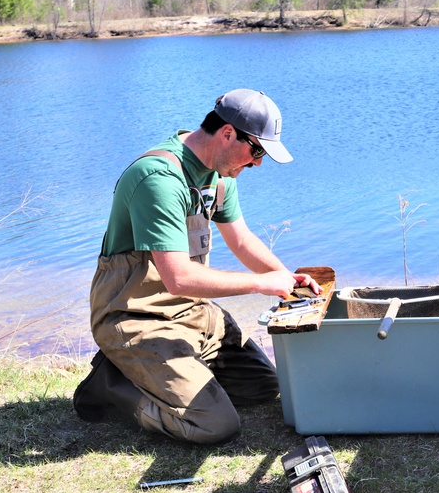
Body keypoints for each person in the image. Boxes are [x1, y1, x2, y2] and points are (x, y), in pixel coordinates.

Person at [73, 89, 321, 445]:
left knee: (264, 389)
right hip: (134, 317)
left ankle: (166, 374)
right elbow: (179, 278)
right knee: (215, 425)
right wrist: (260, 284)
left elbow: (242, 241)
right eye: (257, 151)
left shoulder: (220, 175)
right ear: (227, 133)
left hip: (190, 312)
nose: (258, 164)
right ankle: (112, 384)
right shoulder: (158, 179)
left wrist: (286, 278)